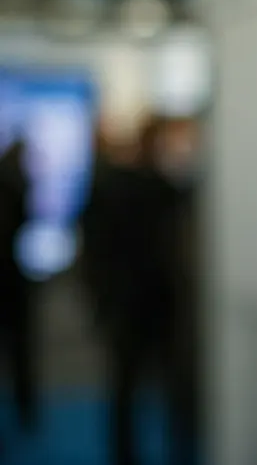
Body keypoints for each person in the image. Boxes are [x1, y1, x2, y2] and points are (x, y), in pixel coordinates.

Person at [79, 119, 195, 465]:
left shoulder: (151, 187)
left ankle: (133, 453)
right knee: (137, 385)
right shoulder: (150, 189)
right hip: (140, 302)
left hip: (141, 302)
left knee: (136, 387)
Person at [0, 138, 39, 440]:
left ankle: (26, 408)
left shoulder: (14, 182)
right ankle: (26, 408)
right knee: (20, 349)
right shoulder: (15, 184)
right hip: (13, 279)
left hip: (12, 278)